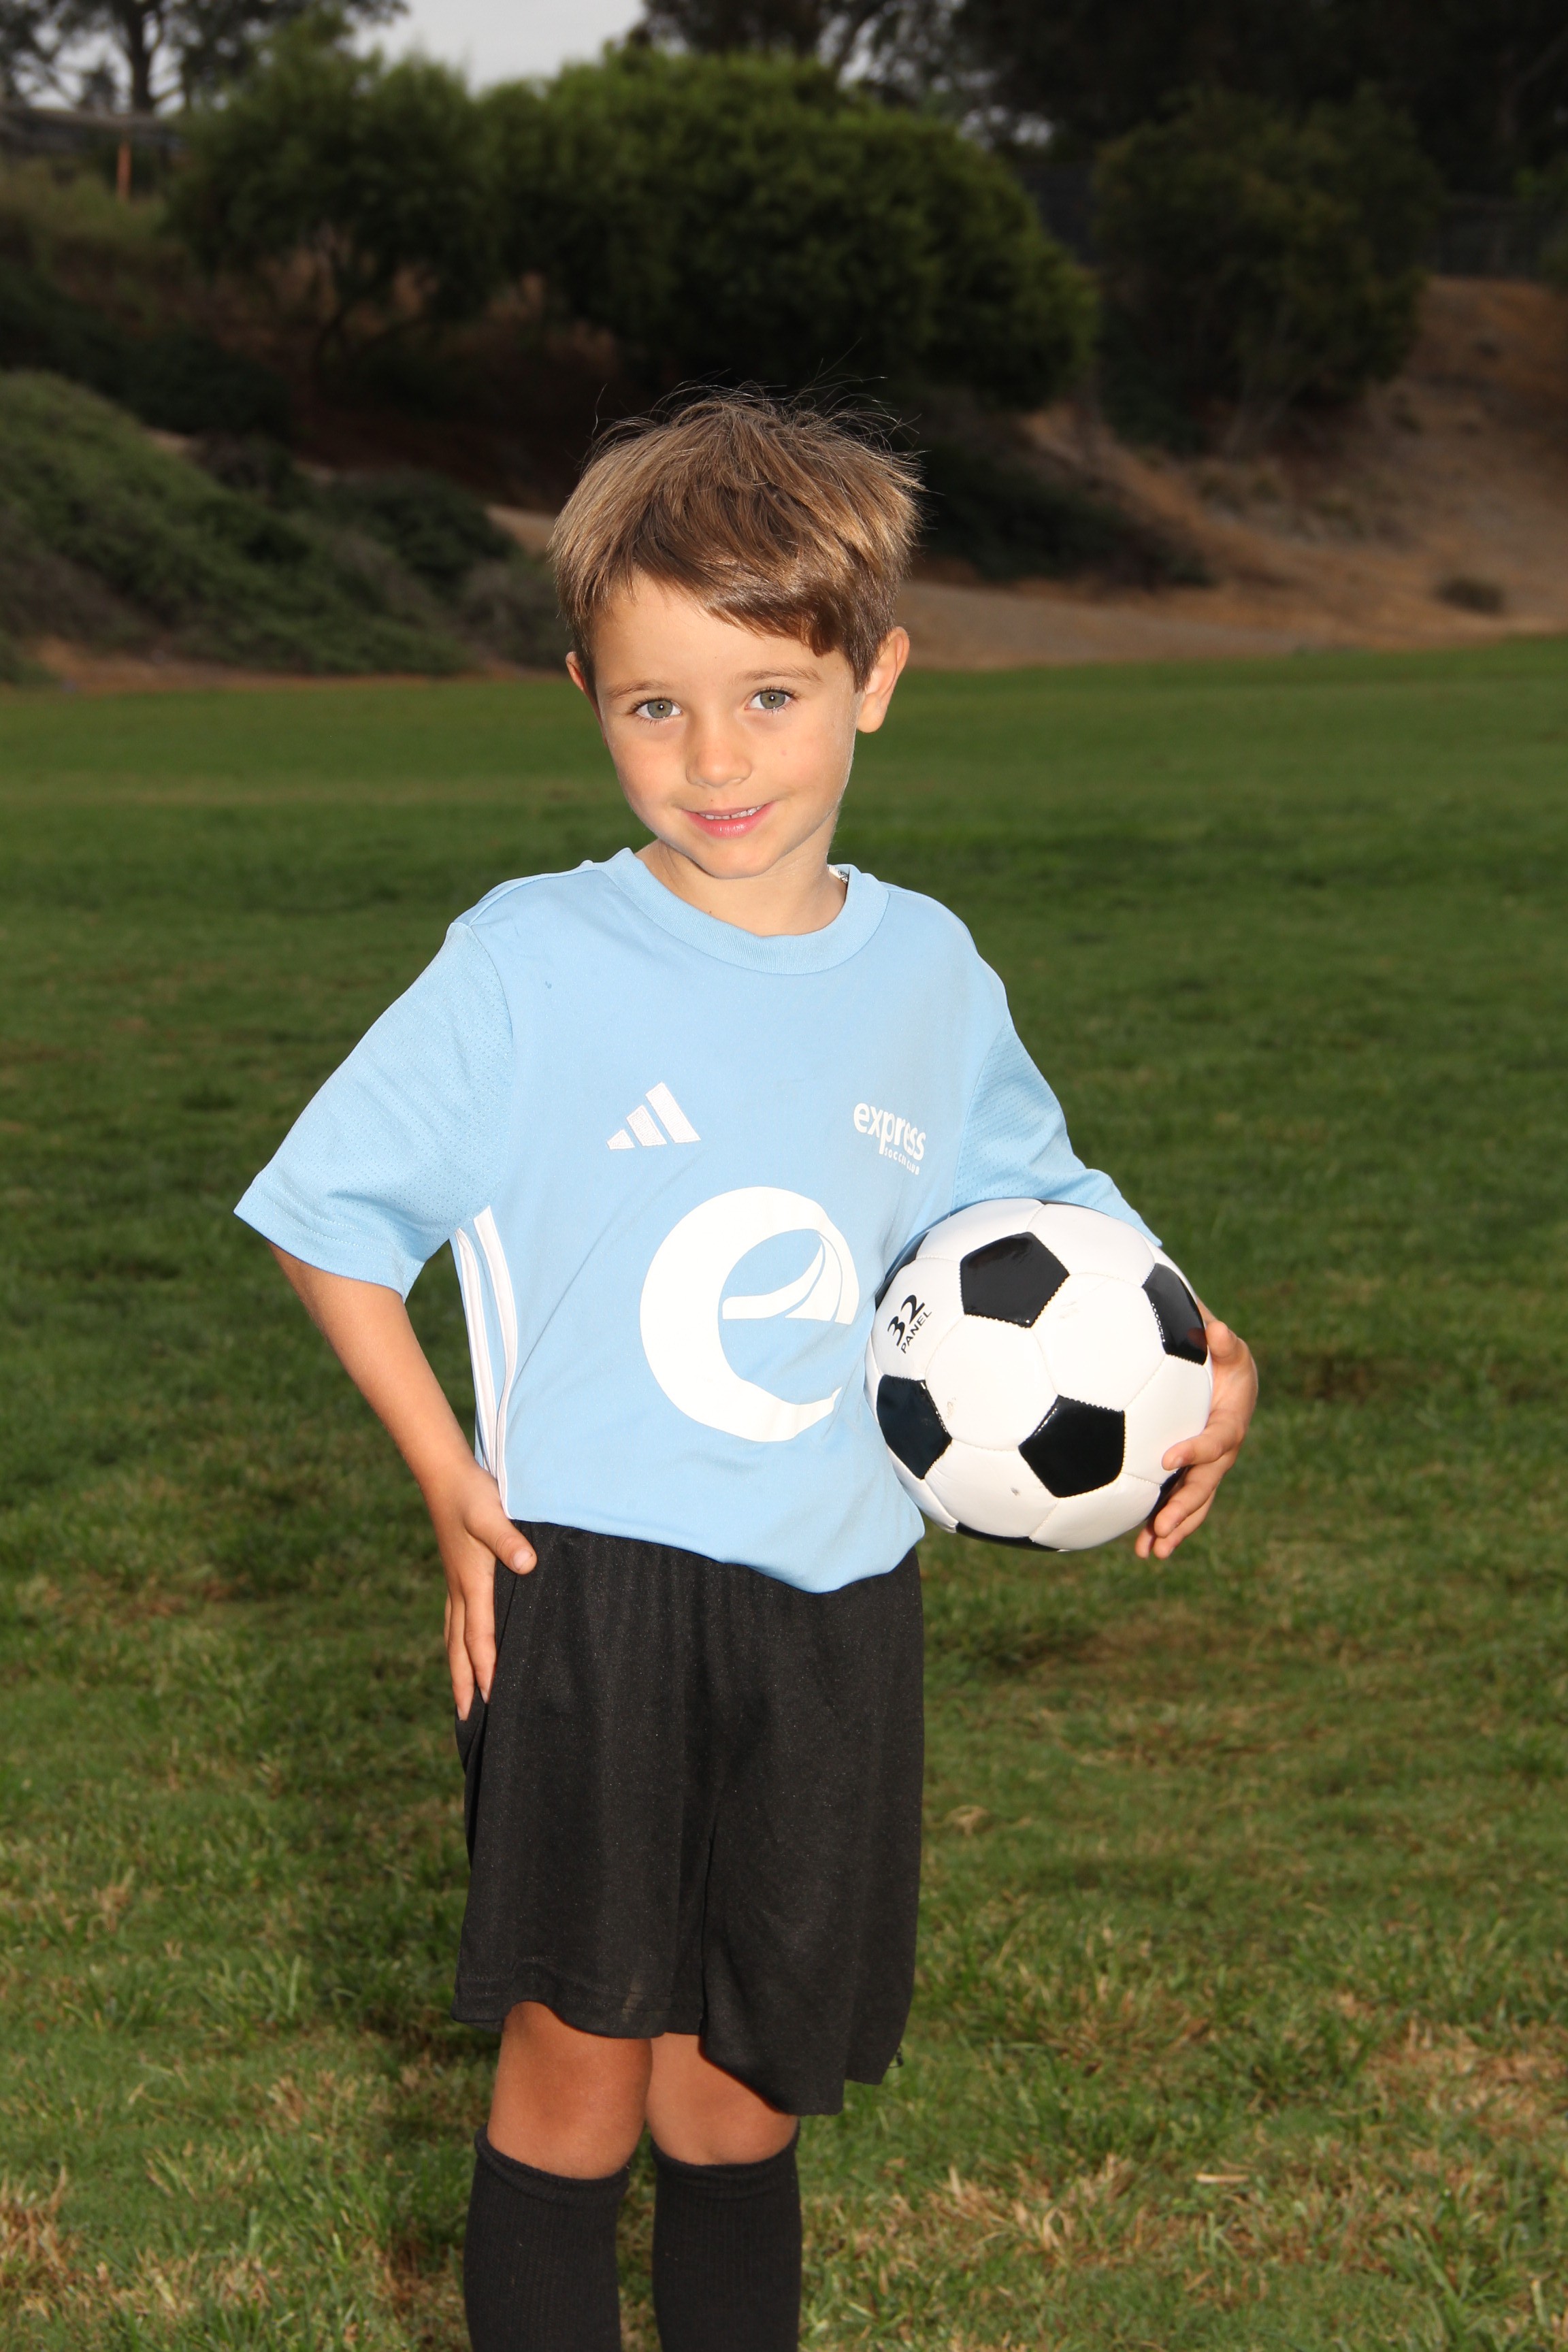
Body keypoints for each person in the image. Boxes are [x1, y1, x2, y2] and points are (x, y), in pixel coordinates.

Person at [235, 393, 1258, 2352]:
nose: (714, 761)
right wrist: (451, 1478)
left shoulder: (930, 976)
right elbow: (328, 1219)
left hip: (835, 1612)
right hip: (594, 1599)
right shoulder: (532, 958)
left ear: (878, 679)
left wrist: (1217, 1364)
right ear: (586, 697)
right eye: (656, 707)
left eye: (770, 698)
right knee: (576, 2085)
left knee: (738, 2100)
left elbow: (1064, 1223)